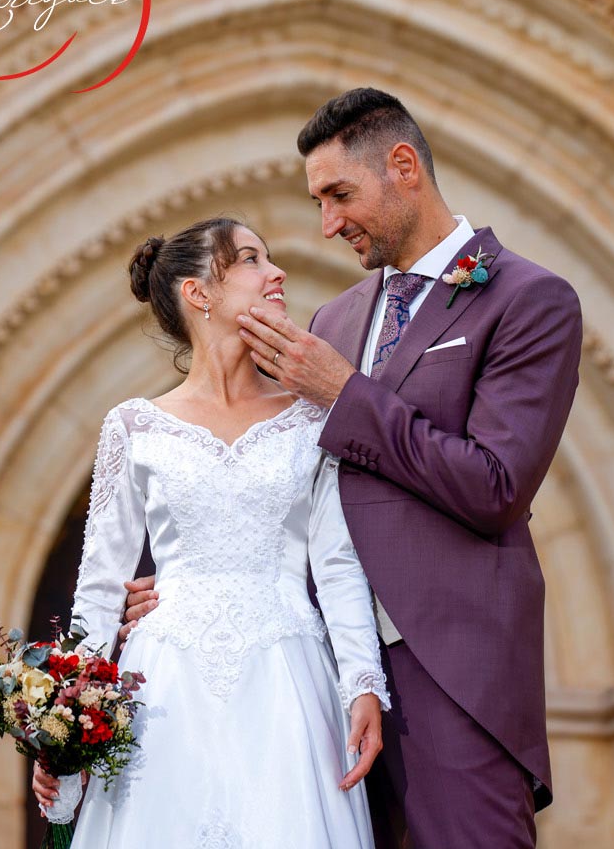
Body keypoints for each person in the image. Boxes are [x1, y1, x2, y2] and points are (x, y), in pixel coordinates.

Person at [122, 88, 584, 848]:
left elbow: (496, 486)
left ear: (403, 166)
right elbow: (280, 490)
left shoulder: (528, 301)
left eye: (340, 195)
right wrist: (194, 584)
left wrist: (346, 393)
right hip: (315, 687)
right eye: (318, 202)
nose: (327, 225)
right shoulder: (334, 321)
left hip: (450, 675)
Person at [30, 216, 389, 848]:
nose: (276, 273)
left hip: (288, 676)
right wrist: (69, 719)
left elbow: (337, 565)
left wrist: (362, 683)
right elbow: (99, 589)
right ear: (199, 293)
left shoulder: (312, 419)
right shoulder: (134, 427)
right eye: (251, 259)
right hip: (165, 688)